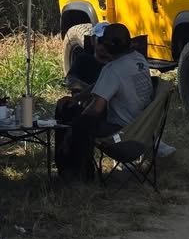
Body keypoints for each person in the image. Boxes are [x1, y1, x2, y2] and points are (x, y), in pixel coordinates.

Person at [55, 23, 170, 181]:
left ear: (106, 47)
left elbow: (96, 109)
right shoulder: (138, 59)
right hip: (142, 127)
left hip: (121, 133)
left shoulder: (113, 70)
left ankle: (74, 173)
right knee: (75, 112)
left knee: (74, 118)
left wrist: (72, 128)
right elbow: (99, 86)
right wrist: (76, 99)